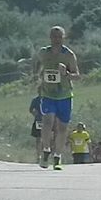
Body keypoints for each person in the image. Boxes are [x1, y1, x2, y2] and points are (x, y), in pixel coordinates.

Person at [35, 26, 80, 170]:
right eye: (54, 37)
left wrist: (66, 73)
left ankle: (57, 156)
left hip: (64, 95)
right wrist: (38, 76)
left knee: (62, 127)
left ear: (63, 38)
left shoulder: (68, 55)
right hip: (48, 94)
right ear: (50, 37)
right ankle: (46, 150)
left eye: (59, 37)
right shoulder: (43, 53)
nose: (56, 40)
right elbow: (36, 67)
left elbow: (77, 75)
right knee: (47, 121)